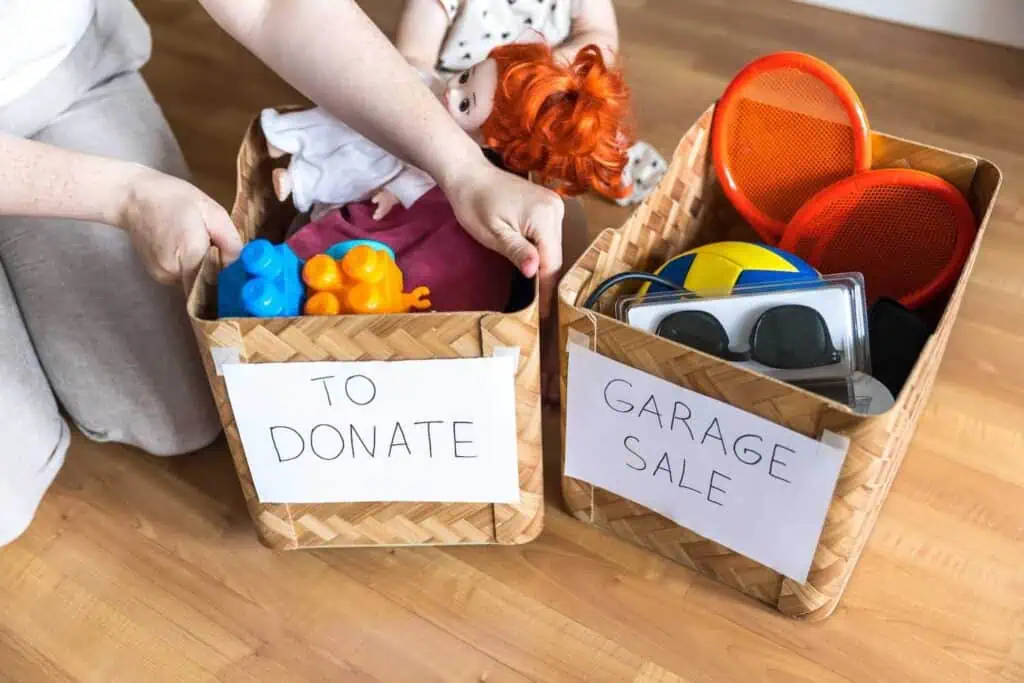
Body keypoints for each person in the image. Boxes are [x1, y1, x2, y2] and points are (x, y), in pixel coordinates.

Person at [0, 0, 565, 548]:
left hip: (59, 76)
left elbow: (276, 4)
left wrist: (462, 171)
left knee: (183, 417)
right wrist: (122, 195)